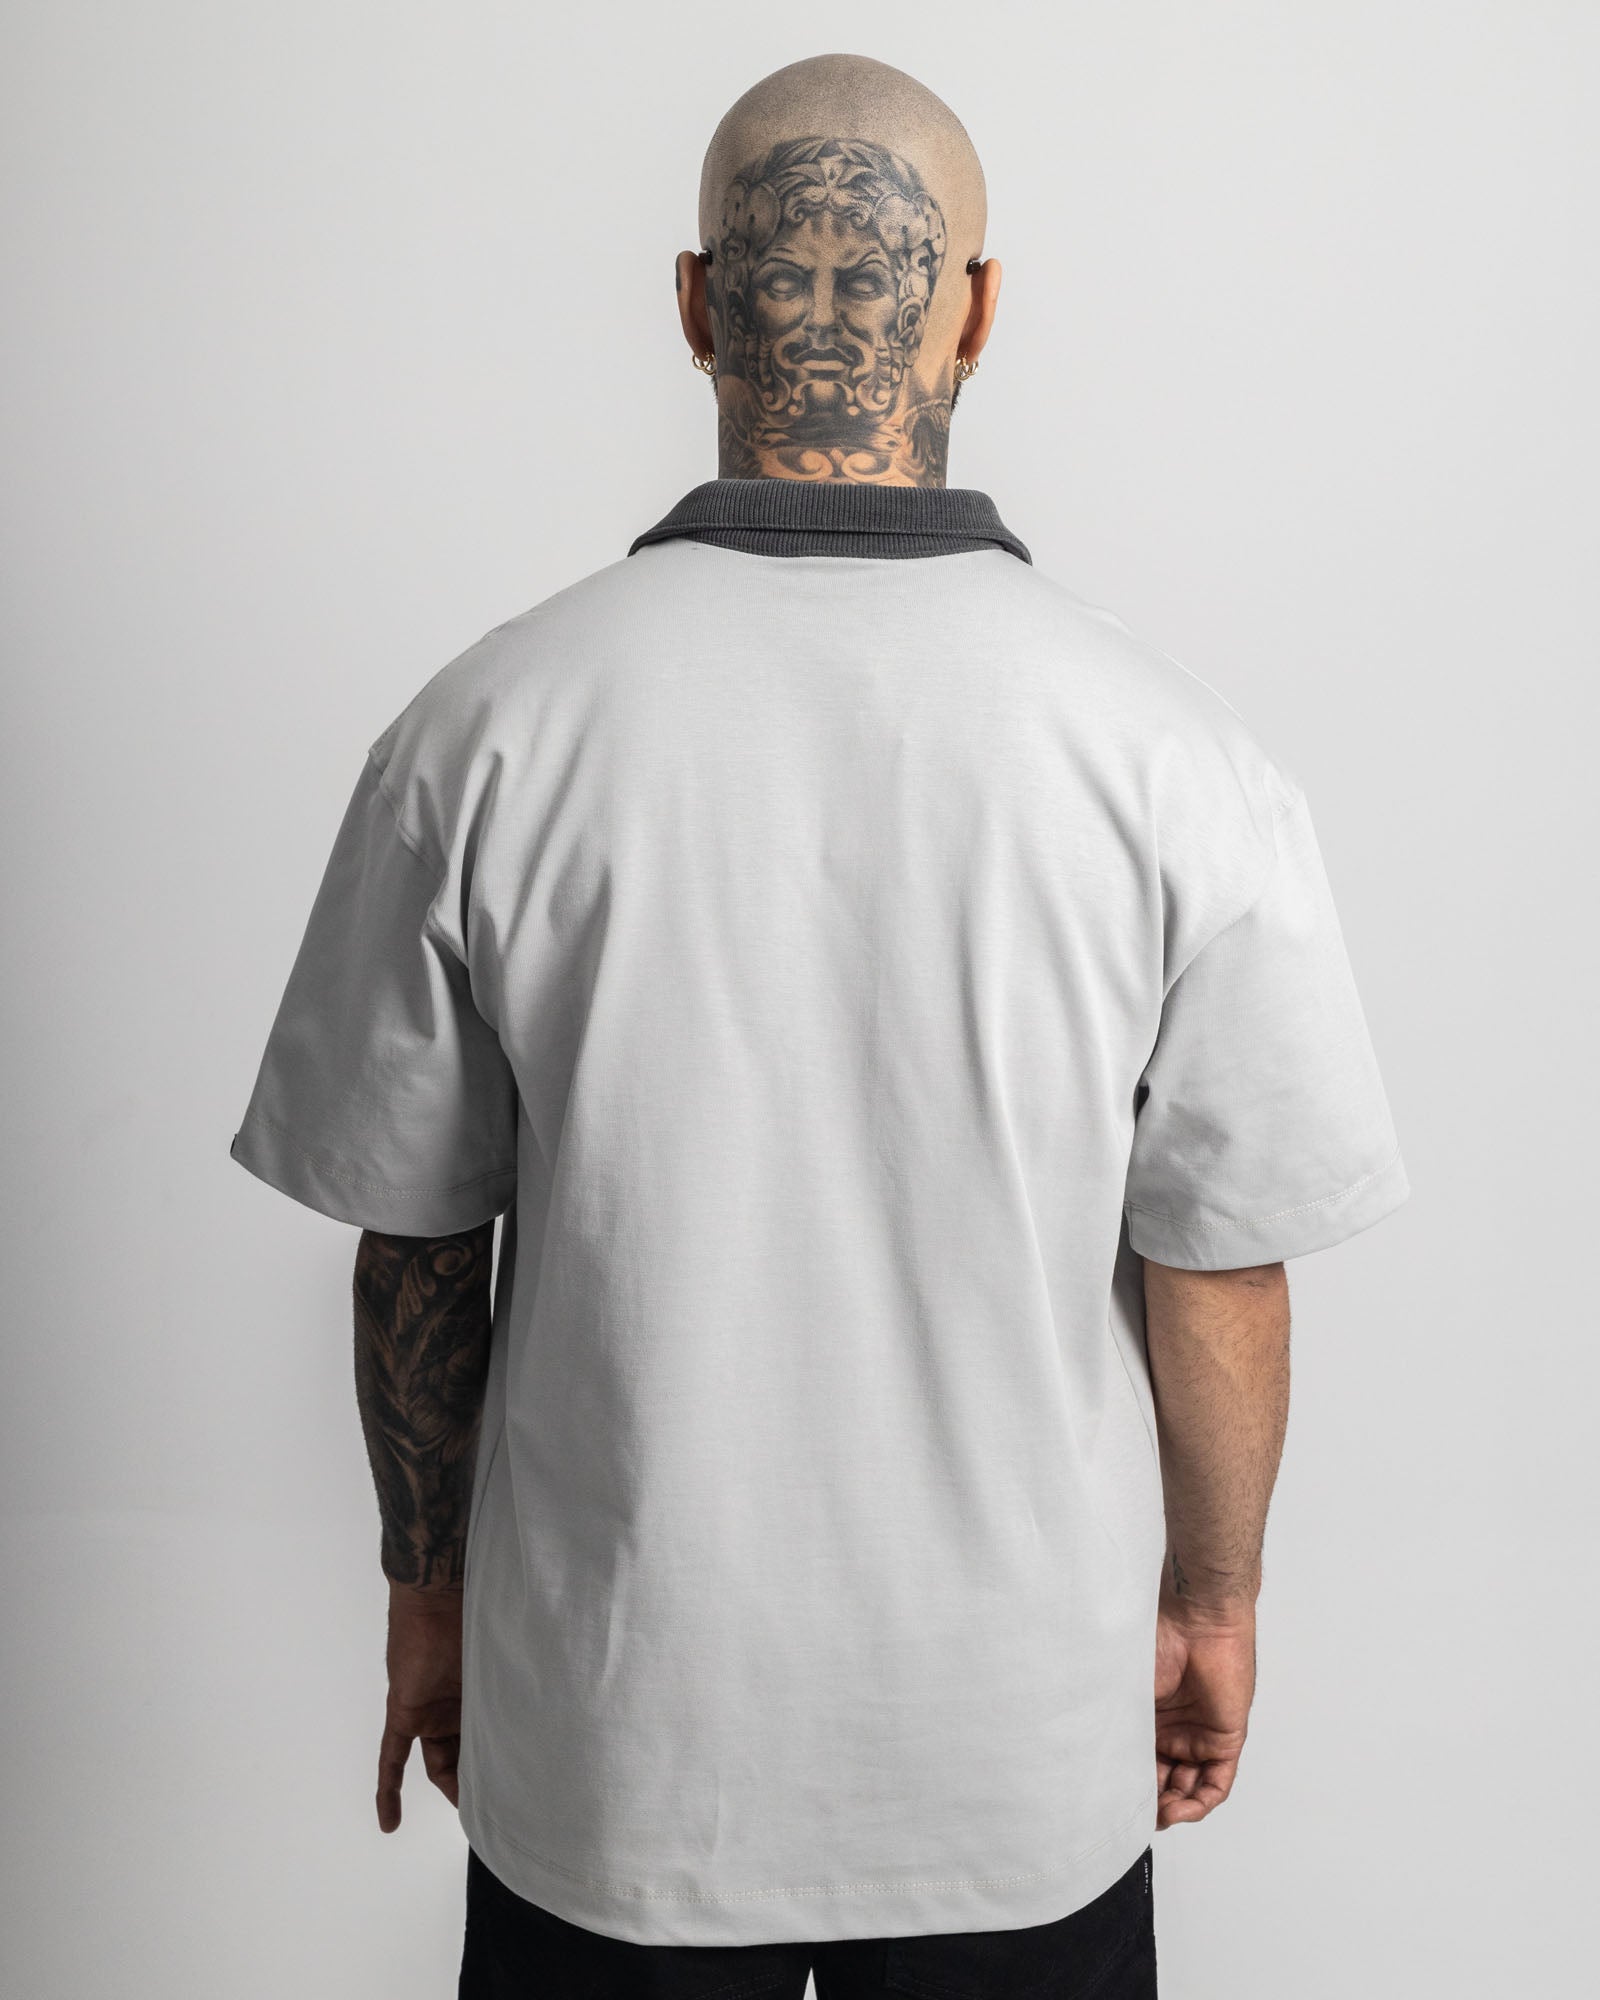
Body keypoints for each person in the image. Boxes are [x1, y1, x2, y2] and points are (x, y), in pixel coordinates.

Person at [227, 51, 1410, 1999]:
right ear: (981, 310)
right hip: (1011, 1764)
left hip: (615, 1754)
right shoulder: (1175, 762)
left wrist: (424, 1594)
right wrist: (1213, 1603)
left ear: (695, 305)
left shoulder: (484, 734)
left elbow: (418, 1243)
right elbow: (1217, 1267)